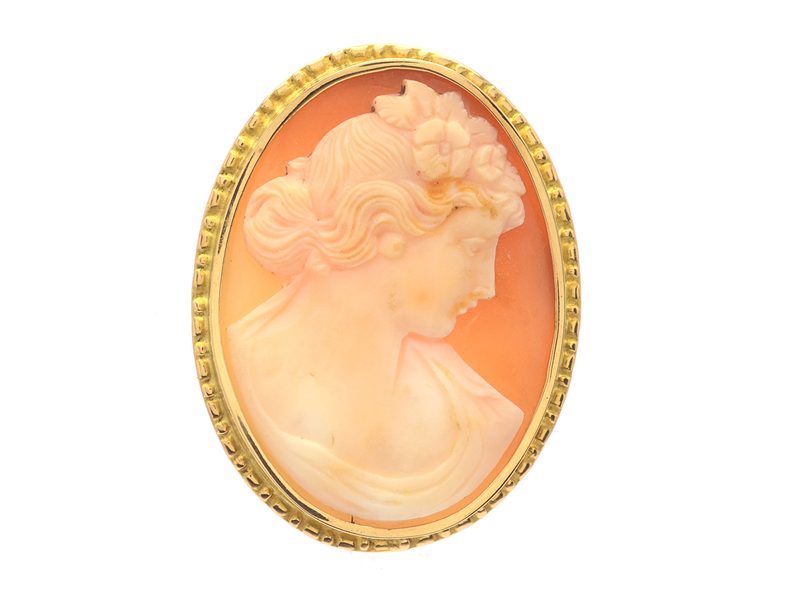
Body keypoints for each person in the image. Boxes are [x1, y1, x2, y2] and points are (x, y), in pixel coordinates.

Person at [227, 80, 527, 521]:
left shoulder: (482, 424)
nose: (488, 286)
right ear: (383, 227)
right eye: (474, 247)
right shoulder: (234, 367)